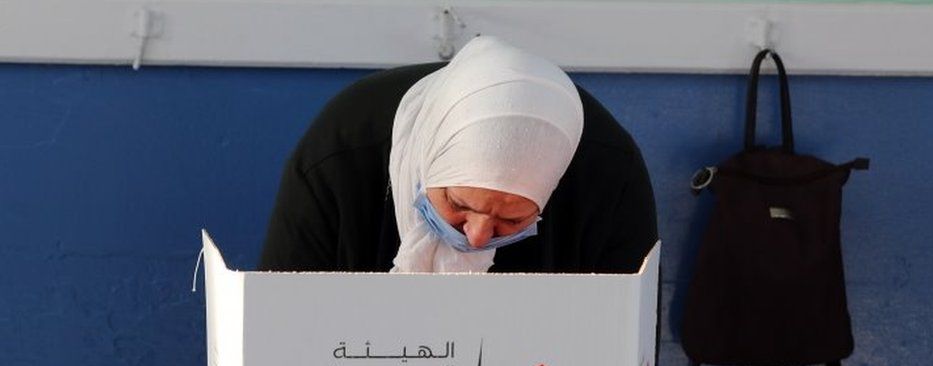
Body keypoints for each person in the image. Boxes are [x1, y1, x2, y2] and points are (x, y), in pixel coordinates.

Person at [259, 36, 657, 274]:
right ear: (429, 162)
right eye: (459, 204)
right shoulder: (341, 154)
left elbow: (625, 354)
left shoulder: (608, 176)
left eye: (512, 219)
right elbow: (280, 318)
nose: (478, 234)